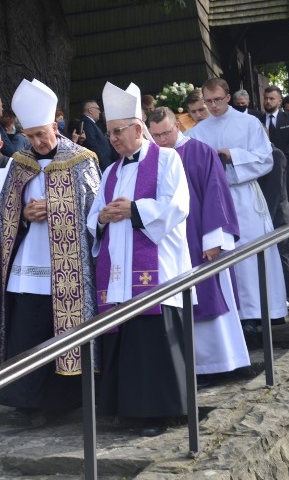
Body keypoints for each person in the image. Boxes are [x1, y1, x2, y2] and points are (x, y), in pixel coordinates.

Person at [0, 78, 101, 421]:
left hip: (69, 266)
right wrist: (25, 216)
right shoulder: (20, 162)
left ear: (55, 126)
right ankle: (25, 400)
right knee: (26, 328)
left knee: (59, 330)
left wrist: (59, 210)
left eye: (41, 134)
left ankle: (61, 402)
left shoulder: (82, 160)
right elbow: (4, 214)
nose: (36, 142)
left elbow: (94, 213)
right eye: (30, 136)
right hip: (29, 262)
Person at [88, 82, 192, 438]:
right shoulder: (110, 171)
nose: (113, 139)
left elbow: (177, 206)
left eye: (118, 132)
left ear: (137, 128)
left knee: (151, 340)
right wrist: (100, 219)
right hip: (119, 271)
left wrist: (134, 210)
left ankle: (159, 411)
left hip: (156, 269)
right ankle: (126, 410)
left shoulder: (166, 159)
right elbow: (94, 215)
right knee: (125, 336)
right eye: (109, 133)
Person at [147, 108, 249, 386]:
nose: (161, 140)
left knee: (208, 296)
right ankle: (192, 367)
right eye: (155, 135)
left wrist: (214, 239)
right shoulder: (153, 158)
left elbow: (216, 192)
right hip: (170, 244)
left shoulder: (200, 152)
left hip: (198, 239)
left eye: (166, 132)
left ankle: (221, 363)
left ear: (178, 125)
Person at [187, 78, 288, 344]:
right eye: (208, 102)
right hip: (216, 200)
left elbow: (267, 158)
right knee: (227, 256)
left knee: (252, 255)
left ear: (228, 97)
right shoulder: (197, 132)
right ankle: (239, 315)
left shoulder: (249, 123)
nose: (213, 106)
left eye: (218, 100)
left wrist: (233, 156)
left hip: (244, 196)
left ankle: (260, 312)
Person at [262, 86, 289, 163]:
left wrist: (280, 159)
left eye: (271, 98)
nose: (268, 101)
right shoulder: (257, 120)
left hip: (287, 166)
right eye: (265, 98)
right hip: (264, 167)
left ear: (280, 101)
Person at [79, 99, 113, 170]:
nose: (100, 112)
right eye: (98, 109)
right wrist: (101, 161)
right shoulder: (87, 123)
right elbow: (92, 144)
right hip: (100, 165)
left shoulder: (91, 123)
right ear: (90, 110)